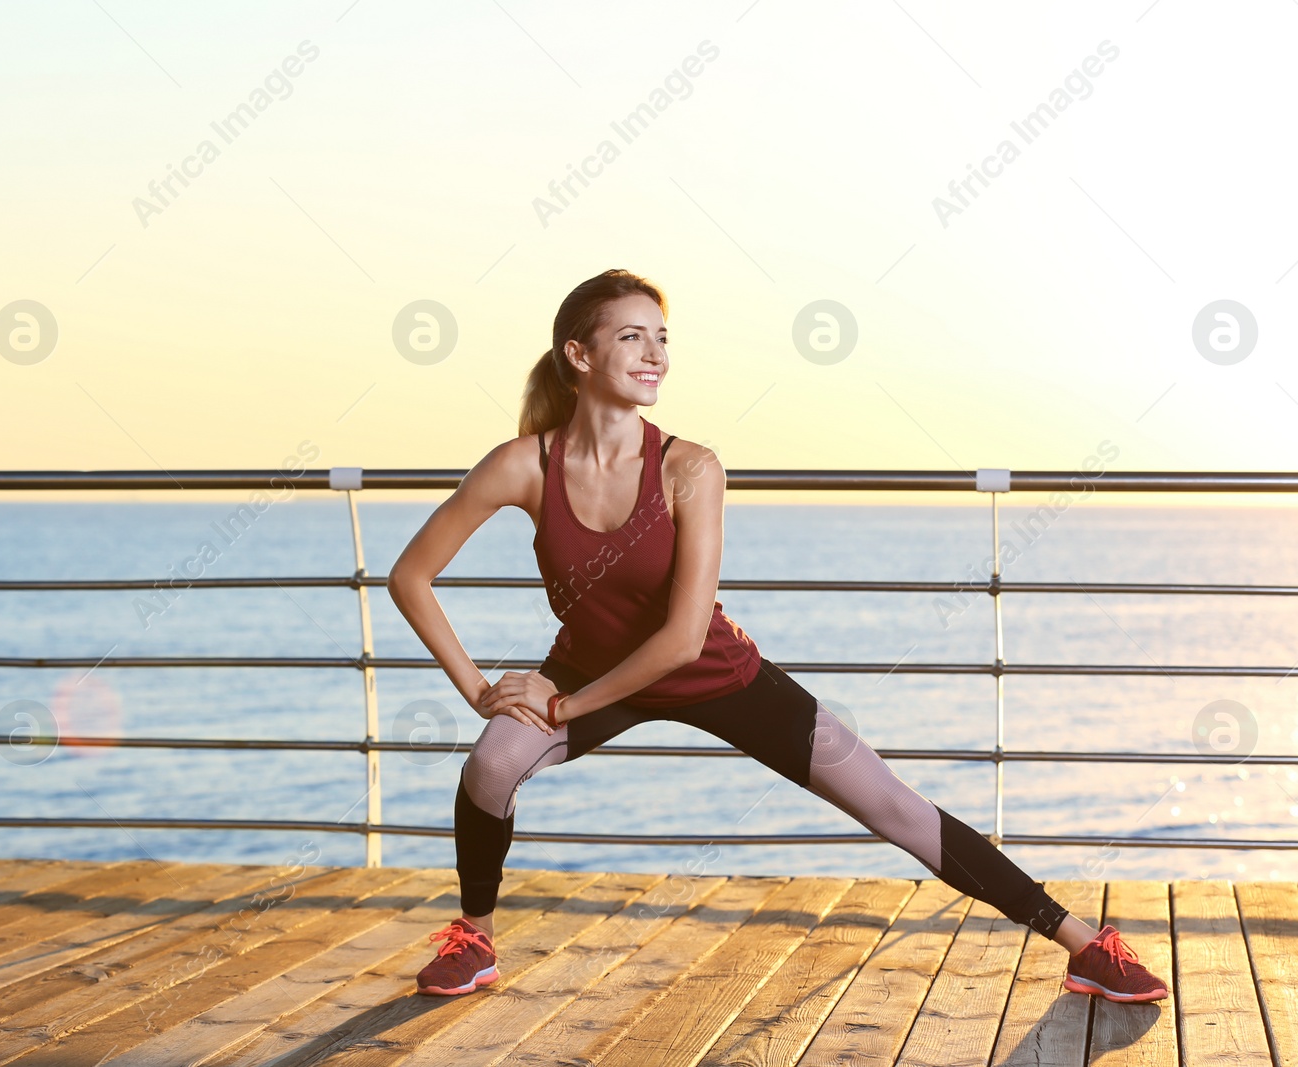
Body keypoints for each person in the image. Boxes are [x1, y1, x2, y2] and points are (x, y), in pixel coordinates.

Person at [385, 268, 1169, 1004]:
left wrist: (562, 708)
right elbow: (409, 576)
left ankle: (1085, 943)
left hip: (714, 673)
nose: (655, 352)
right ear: (578, 354)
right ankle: (476, 938)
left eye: (662, 336)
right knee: (490, 761)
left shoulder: (690, 467)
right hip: (587, 676)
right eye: (632, 336)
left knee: (891, 805)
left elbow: (685, 637)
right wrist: (482, 689)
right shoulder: (524, 465)